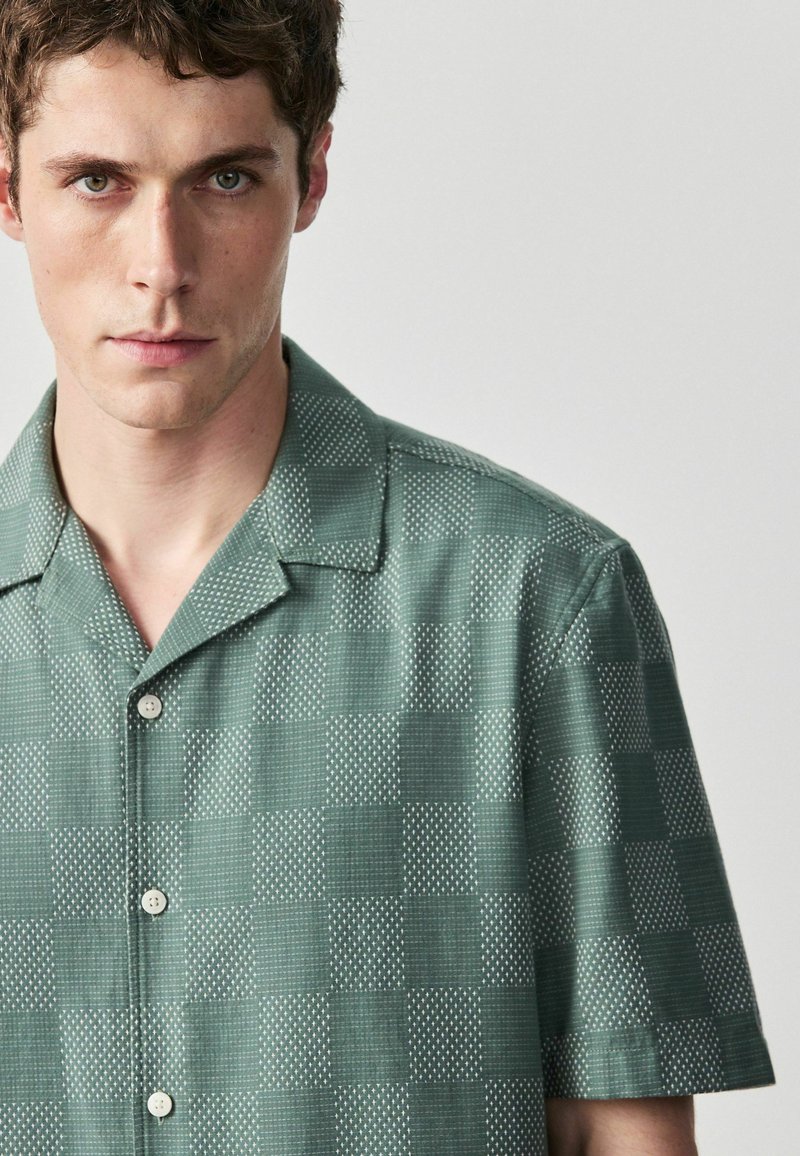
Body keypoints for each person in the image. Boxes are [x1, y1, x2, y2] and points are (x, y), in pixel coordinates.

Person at [0, 2, 775, 1153]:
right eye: (97, 181)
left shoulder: (540, 600)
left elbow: (624, 1133)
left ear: (310, 178)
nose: (160, 266)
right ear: (9, 189)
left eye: (225, 179)